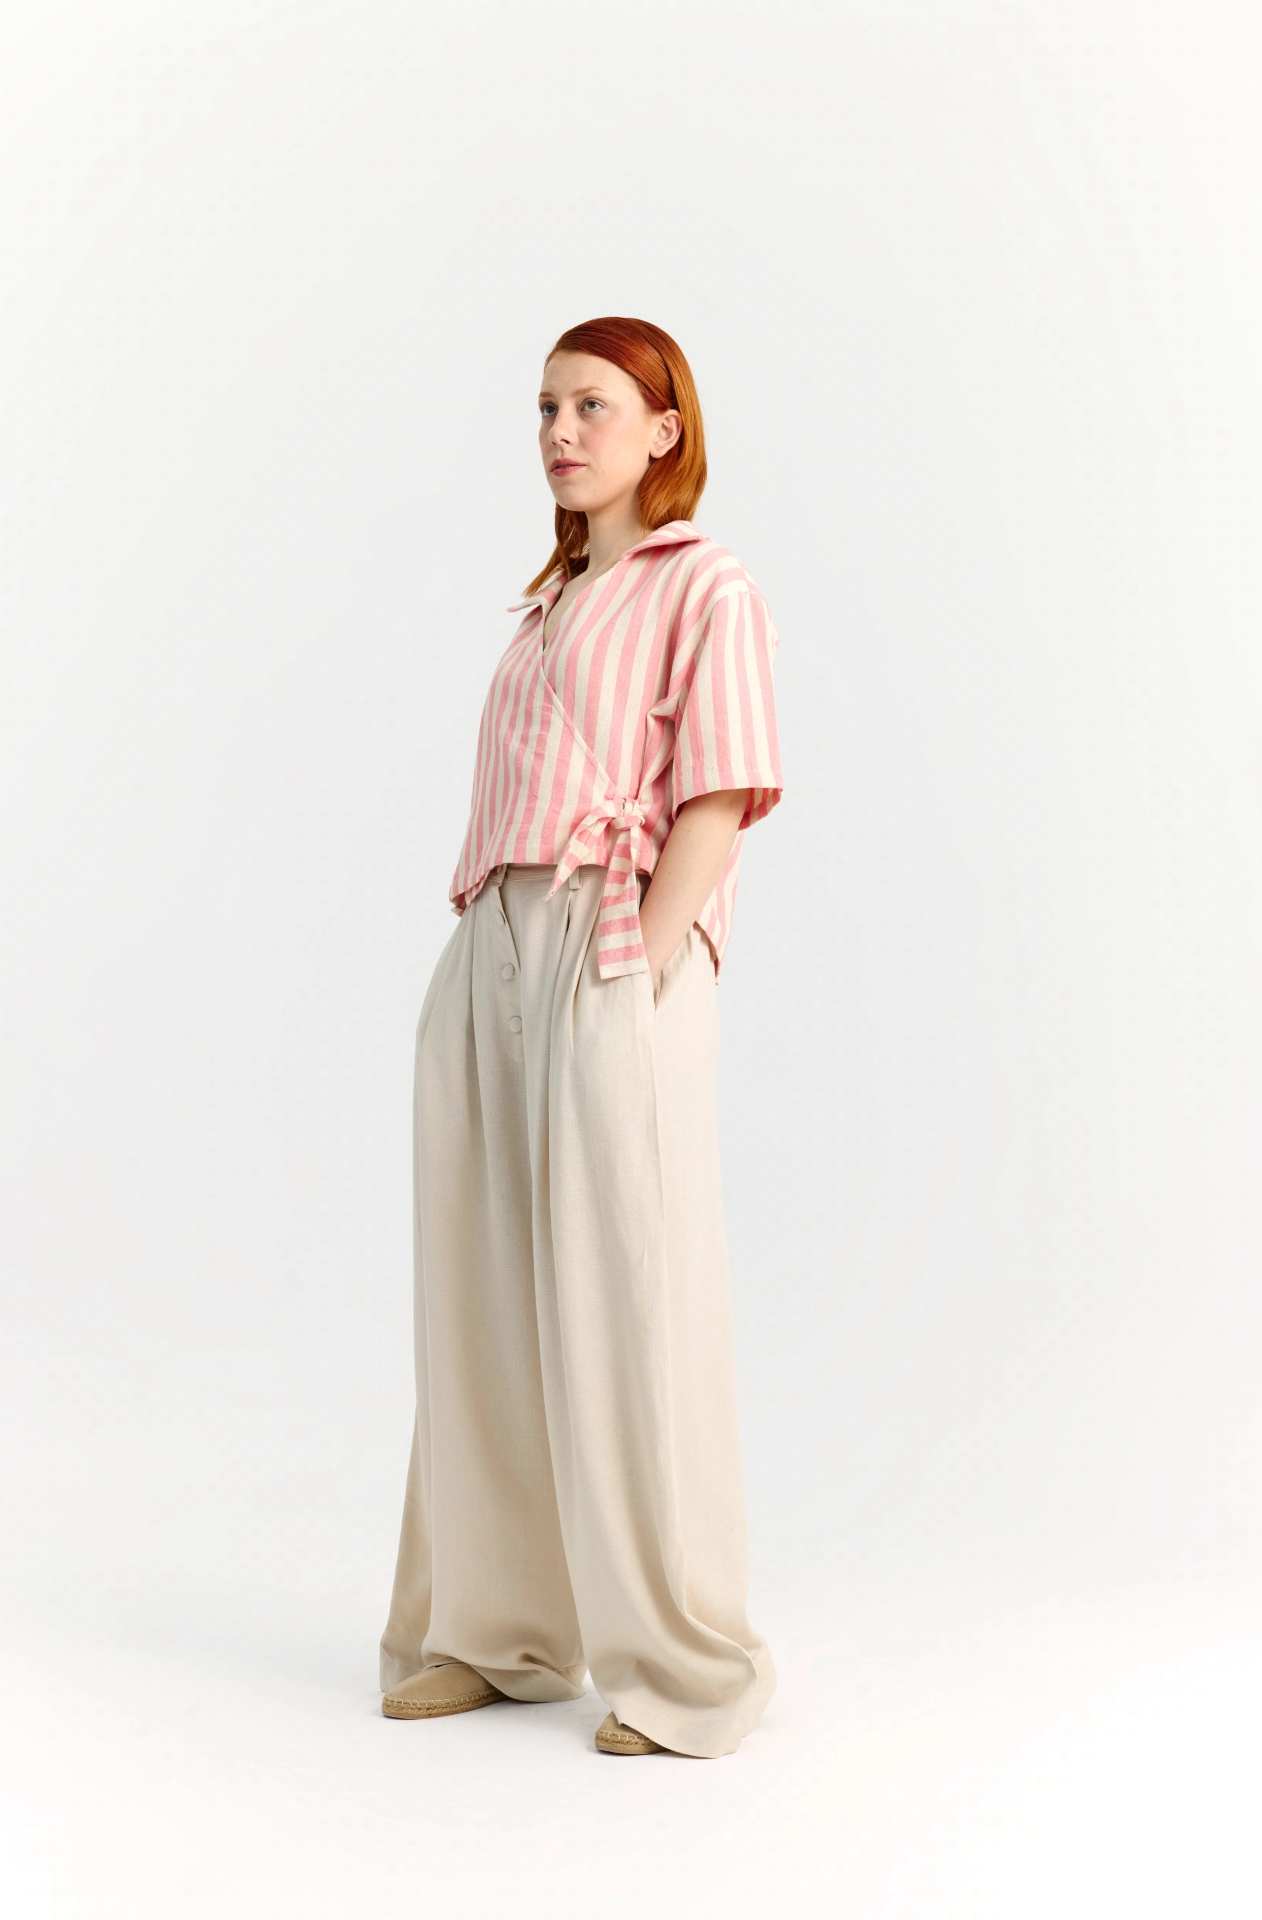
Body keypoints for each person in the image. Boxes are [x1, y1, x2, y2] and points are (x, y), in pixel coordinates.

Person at [378, 316, 783, 1758]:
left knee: (627, 1295)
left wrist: (644, 966)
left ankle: (685, 1668)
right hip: (492, 939)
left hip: (612, 941)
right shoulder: (551, 603)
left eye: (592, 405)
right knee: (480, 1294)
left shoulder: (705, 585)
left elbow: (720, 793)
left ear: (664, 427)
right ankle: (496, 1632)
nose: (559, 431)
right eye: (546, 406)